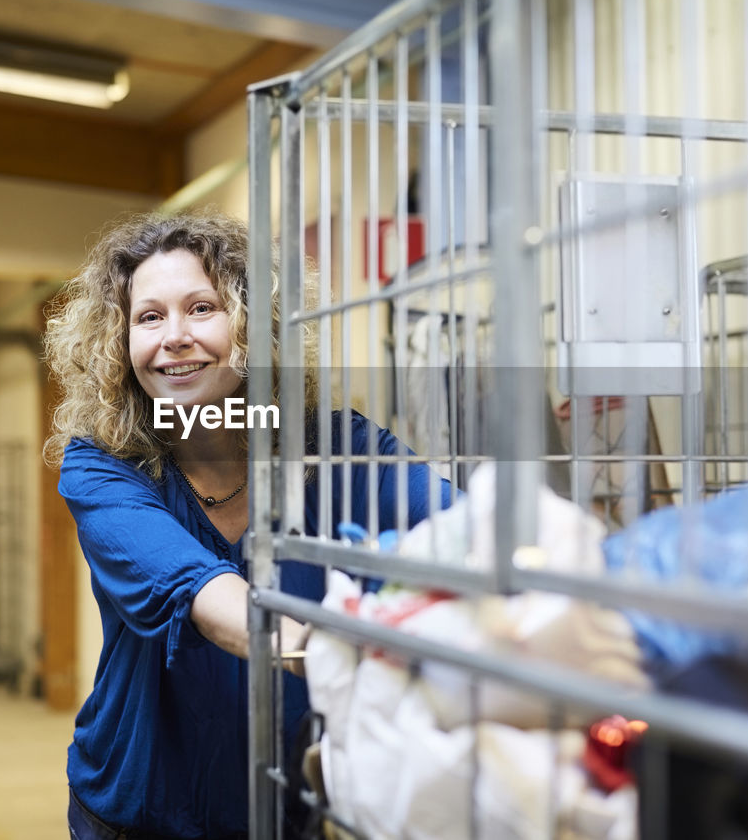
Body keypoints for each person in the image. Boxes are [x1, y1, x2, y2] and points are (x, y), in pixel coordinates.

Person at [43, 210, 451, 839]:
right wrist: (328, 648)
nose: (173, 336)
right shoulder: (101, 466)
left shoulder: (336, 447)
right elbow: (194, 588)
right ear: (121, 346)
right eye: (149, 317)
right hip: (141, 810)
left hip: (292, 807)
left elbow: (462, 527)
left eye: (201, 308)